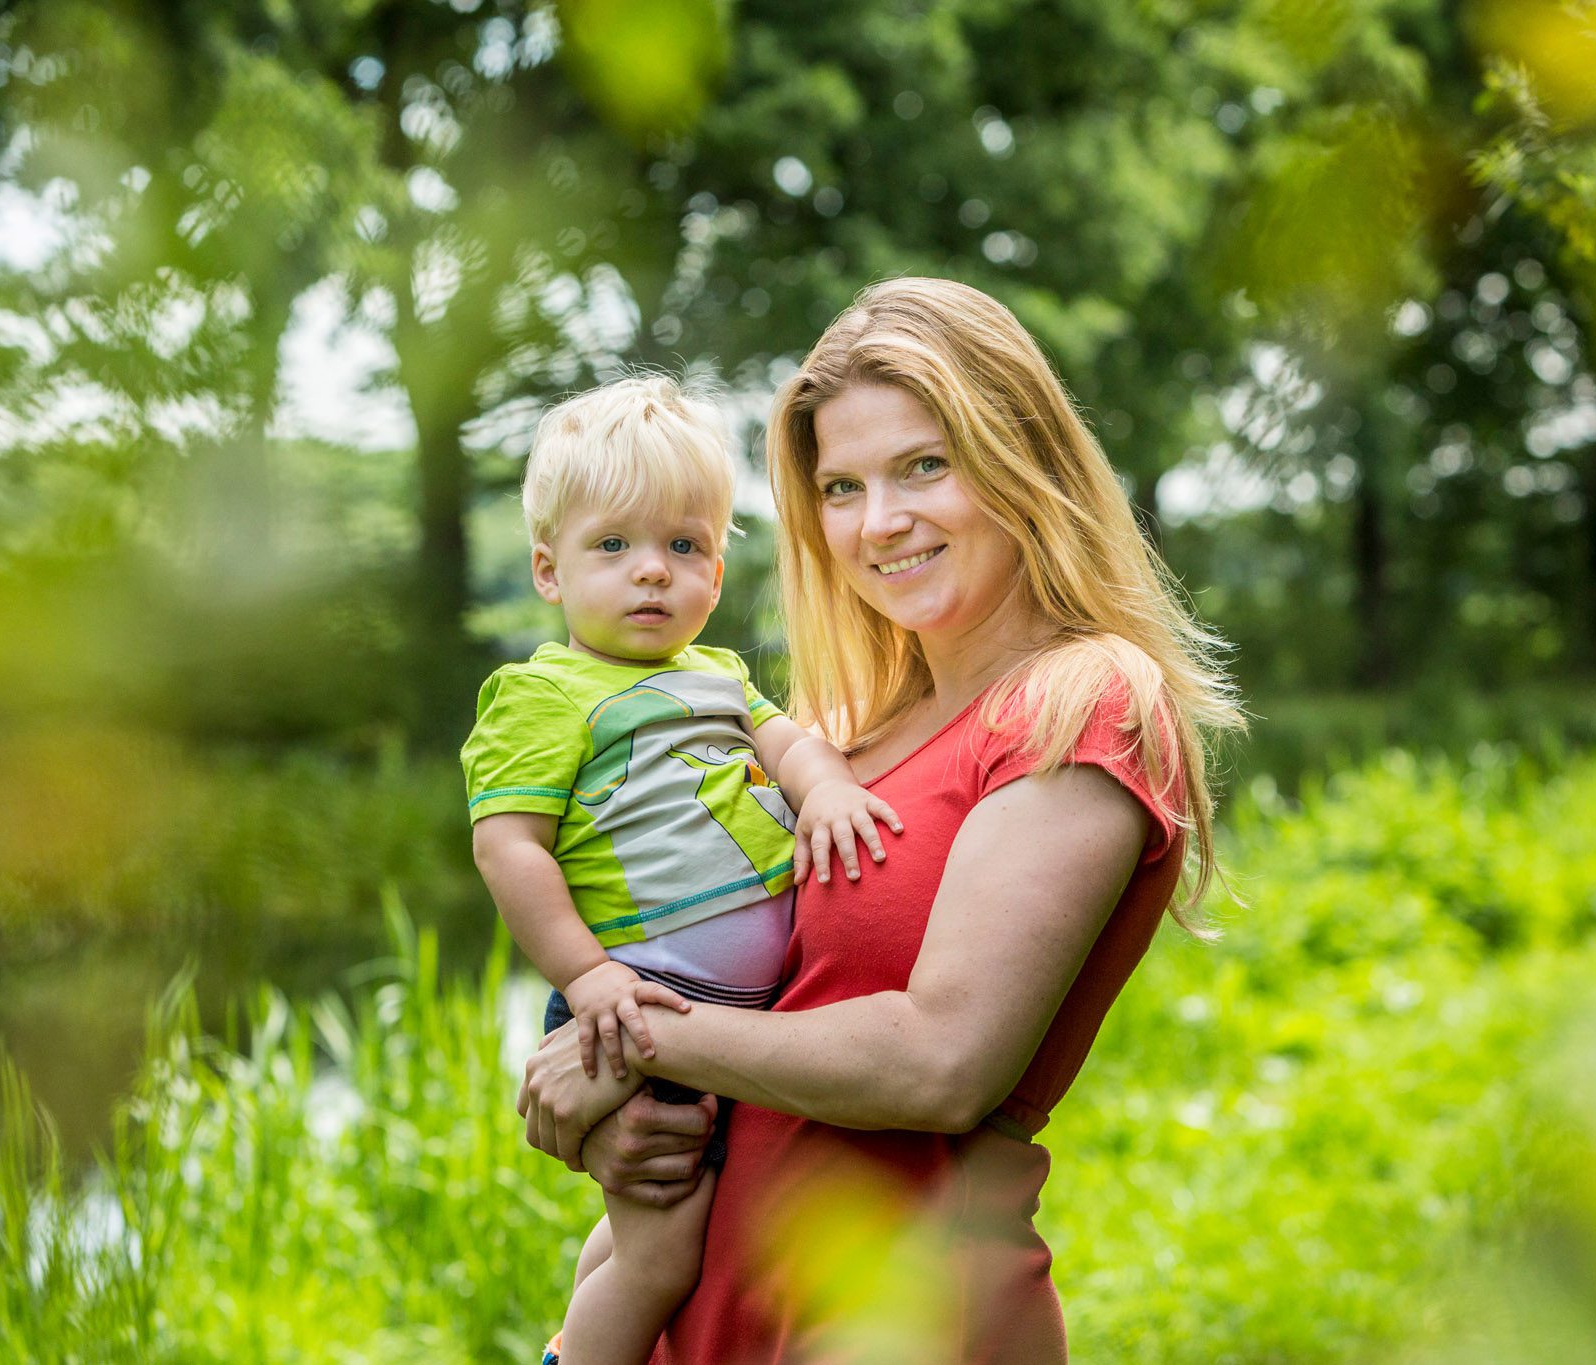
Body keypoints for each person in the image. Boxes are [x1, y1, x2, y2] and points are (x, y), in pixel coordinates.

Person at [517, 278, 1241, 1363]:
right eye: (840, 487)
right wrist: (620, 1122)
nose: (879, 522)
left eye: (923, 466)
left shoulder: (1082, 701)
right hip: (703, 1323)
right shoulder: (841, 736)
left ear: (1018, 458)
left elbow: (939, 1063)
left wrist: (625, 1035)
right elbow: (737, 995)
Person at [460, 375, 899, 1365]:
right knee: (661, 1259)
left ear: (716, 562)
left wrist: (824, 791)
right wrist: (586, 977)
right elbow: (509, 848)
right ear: (548, 570)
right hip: (635, 1002)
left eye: (683, 546)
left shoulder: (720, 677)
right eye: (612, 547)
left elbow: (790, 746)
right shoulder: (542, 697)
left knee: (651, 1224)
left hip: (729, 1021)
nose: (651, 573)